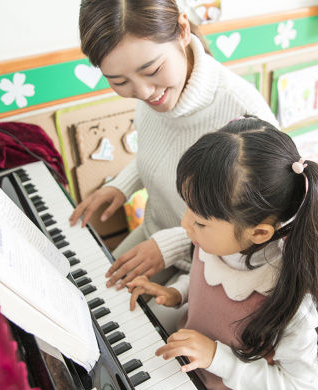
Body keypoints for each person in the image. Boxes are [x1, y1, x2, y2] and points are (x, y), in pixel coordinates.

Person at [126, 116, 318, 390]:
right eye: (188, 208)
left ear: (259, 233)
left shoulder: (288, 298)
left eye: (201, 221)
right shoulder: (215, 244)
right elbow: (211, 283)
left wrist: (217, 357)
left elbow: (298, 389)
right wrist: (178, 293)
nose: (184, 223)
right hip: (186, 370)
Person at [69, 0, 277, 289]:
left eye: (152, 70)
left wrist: (172, 245)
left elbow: (261, 220)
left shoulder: (242, 112)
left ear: (182, 30)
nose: (142, 92)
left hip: (218, 261)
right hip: (155, 234)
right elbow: (165, 151)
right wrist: (121, 184)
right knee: (91, 288)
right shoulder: (154, 94)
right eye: (118, 81)